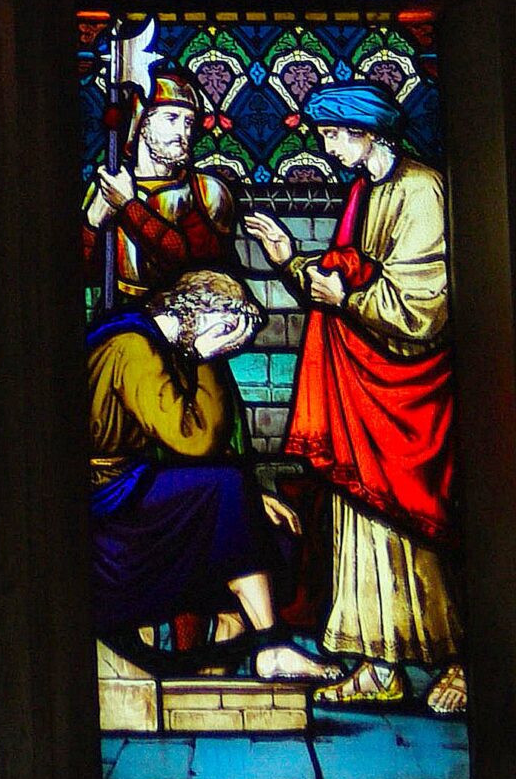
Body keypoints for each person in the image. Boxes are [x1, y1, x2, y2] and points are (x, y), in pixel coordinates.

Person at [243, 81, 461, 713]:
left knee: (422, 516)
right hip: (362, 390)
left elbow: (424, 307)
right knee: (361, 514)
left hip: (411, 393)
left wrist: (349, 297)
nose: (328, 147)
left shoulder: (422, 190)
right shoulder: (364, 190)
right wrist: (289, 261)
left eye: (335, 135)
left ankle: (460, 659)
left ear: (369, 133)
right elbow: (342, 278)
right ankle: (377, 664)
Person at [87, 269, 336, 680]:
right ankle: (270, 644)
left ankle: (218, 667)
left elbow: (191, 452)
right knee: (226, 486)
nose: (227, 348)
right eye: (225, 334)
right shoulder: (131, 347)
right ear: (196, 312)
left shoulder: (162, 346)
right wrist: (206, 358)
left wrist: (252, 499)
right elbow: (194, 439)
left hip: (130, 494)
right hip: (105, 515)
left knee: (270, 532)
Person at [84, 67, 237, 304]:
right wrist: (92, 223)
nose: (183, 132)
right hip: (121, 310)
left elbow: (191, 265)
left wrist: (129, 206)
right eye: (172, 119)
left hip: (186, 311)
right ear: (142, 123)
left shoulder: (206, 191)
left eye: (188, 122)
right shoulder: (109, 185)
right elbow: (79, 272)